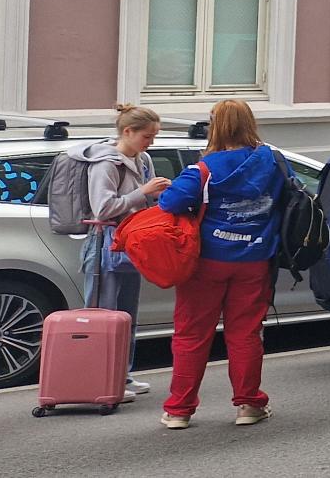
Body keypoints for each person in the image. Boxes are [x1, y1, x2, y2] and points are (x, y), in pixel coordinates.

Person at [156, 99, 286, 429]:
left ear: (216, 126)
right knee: (245, 335)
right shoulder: (273, 160)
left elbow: (169, 202)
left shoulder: (204, 168)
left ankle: (179, 410)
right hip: (256, 259)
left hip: (207, 261)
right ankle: (248, 405)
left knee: (191, 335)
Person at [78, 103, 169, 400]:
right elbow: (102, 207)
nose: (151, 142)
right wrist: (142, 193)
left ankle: (123, 376)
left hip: (131, 240)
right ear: (127, 132)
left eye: (154, 136)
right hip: (104, 243)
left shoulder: (143, 160)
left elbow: (142, 202)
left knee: (127, 312)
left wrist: (156, 196)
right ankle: (100, 380)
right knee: (105, 312)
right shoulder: (106, 164)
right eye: (147, 136)